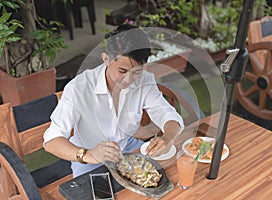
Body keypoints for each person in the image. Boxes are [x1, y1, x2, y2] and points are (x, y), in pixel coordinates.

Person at [43, 24, 184, 177]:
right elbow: (51, 141)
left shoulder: (144, 81)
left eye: (136, 72)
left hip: (127, 148)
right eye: (122, 71)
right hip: (89, 160)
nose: (128, 80)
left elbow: (166, 113)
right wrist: (89, 155)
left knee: (168, 178)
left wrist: (168, 138)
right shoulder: (79, 88)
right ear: (106, 59)